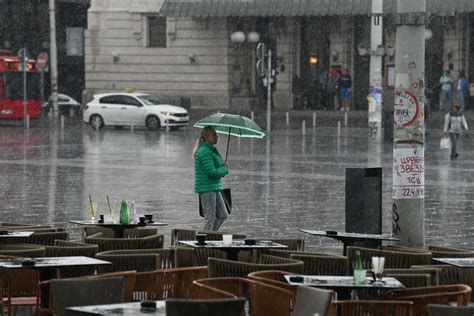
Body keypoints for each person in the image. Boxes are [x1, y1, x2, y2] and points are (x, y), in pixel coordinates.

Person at [193, 126, 229, 230]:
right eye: (214, 134)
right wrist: (225, 169)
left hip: (213, 187)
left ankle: (210, 236)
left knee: (223, 214)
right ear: (206, 136)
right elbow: (211, 172)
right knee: (210, 218)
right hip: (207, 188)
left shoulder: (210, 150)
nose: (217, 136)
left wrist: (222, 166)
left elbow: (213, 168)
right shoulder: (205, 152)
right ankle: (204, 241)